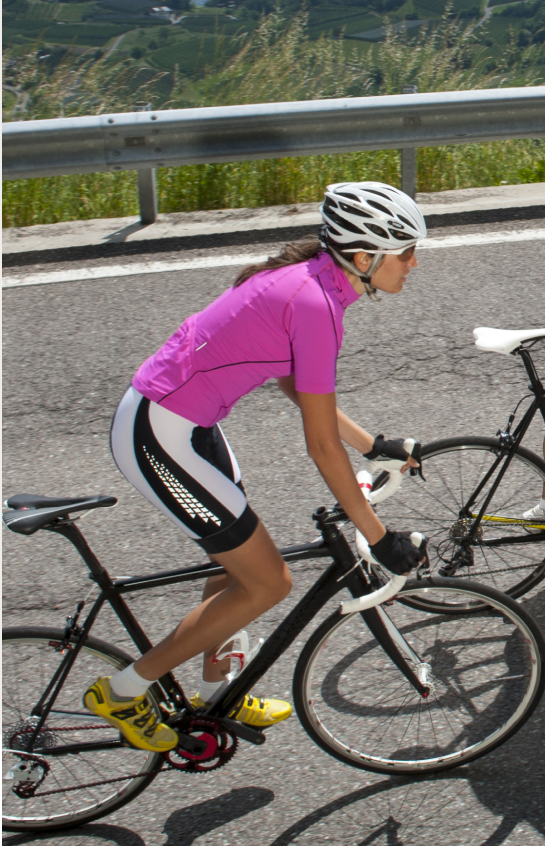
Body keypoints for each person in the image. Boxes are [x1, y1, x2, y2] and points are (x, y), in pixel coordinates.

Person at [83, 182, 431, 753]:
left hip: (187, 425)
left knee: (236, 568)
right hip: (159, 436)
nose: (415, 264)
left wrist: (372, 444)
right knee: (270, 582)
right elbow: (321, 446)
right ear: (364, 258)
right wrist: (377, 536)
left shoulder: (317, 282)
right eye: (407, 252)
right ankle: (123, 692)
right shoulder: (315, 303)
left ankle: (216, 692)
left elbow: (296, 384)